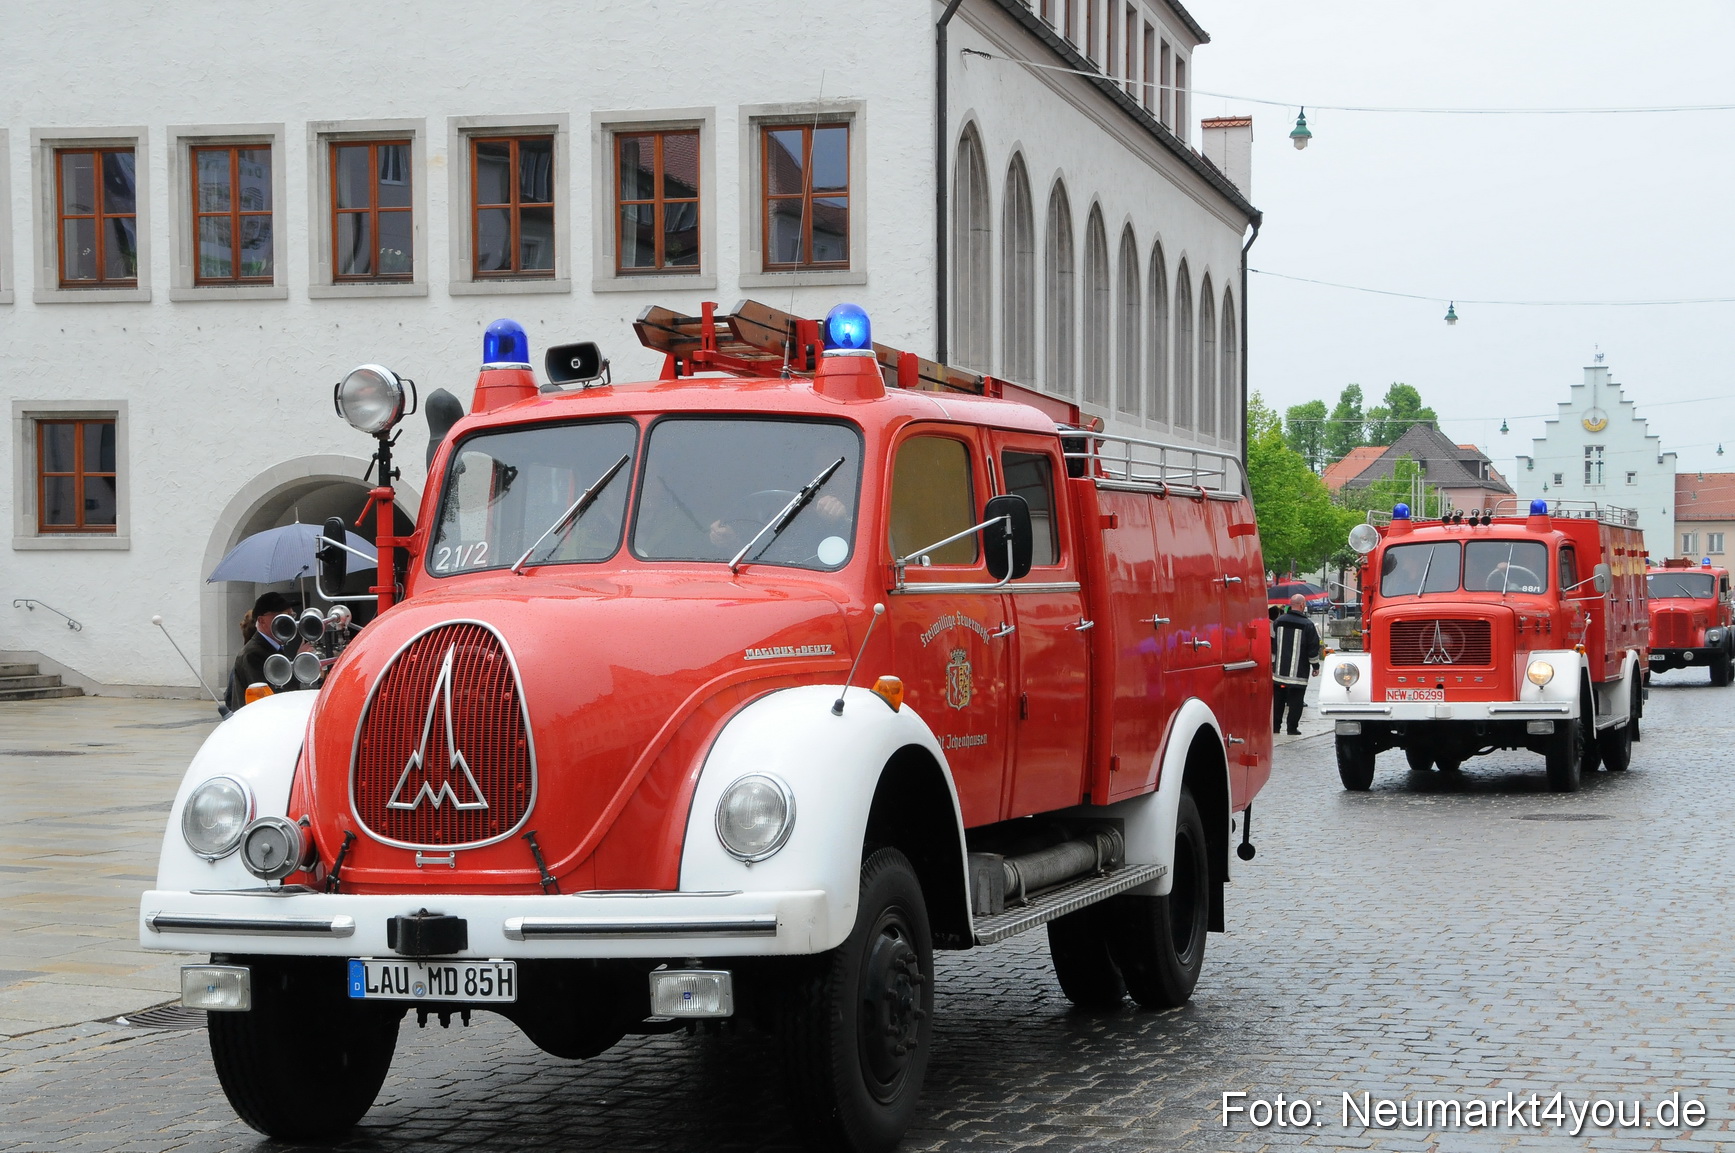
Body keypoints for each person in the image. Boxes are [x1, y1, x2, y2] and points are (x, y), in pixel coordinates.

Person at [226, 591, 297, 711]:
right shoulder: (253, 654)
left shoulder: (274, 648)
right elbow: (271, 697)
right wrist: (299, 667)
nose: (289, 621)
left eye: (292, 616)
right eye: (282, 615)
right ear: (262, 620)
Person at [1271, 593, 1321, 736]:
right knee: (1296, 702)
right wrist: (1315, 666)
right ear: (1302, 605)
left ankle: (1275, 727)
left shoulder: (1278, 621)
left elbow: (1273, 643)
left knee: (1279, 700)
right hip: (1298, 673)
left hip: (1279, 672)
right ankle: (1292, 729)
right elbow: (1313, 648)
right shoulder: (1308, 625)